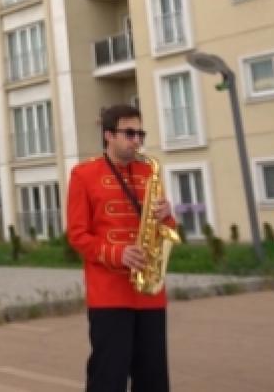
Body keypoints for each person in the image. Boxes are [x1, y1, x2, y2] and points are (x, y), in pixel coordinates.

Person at [66, 104, 174, 392]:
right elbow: (77, 235)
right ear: (108, 135)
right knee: (108, 376)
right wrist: (118, 253)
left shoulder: (149, 172)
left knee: (153, 377)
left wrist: (167, 216)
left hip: (150, 293)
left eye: (140, 133)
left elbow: (167, 231)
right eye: (129, 133)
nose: (137, 140)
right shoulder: (83, 175)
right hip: (109, 294)